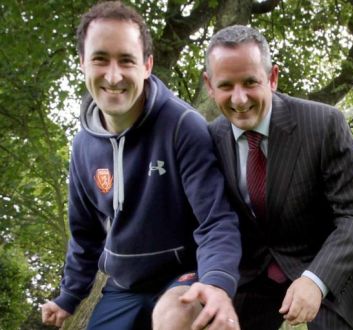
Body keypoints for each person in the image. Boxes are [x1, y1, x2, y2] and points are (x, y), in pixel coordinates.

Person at [40, 2, 241, 329]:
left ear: (147, 65)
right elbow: (85, 235)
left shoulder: (183, 125)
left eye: (126, 60)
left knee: (174, 316)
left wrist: (218, 282)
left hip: (183, 275)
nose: (114, 75)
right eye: (100, 59)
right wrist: (69, 297)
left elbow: (216, 219)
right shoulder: (82, 147)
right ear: (82, 64)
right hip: (123, 285)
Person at [183, 24, 353, 329]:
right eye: (226, 86)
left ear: (272, 77)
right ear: (209, 85)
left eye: (250, 82)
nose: (240, 99)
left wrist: (316, 280)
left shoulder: (324, 125)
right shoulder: (207, 140)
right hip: (249, 276)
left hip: (322, 269)